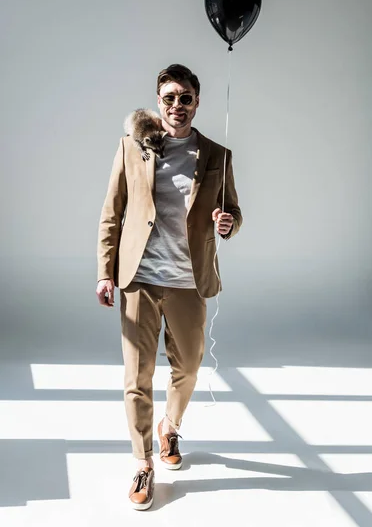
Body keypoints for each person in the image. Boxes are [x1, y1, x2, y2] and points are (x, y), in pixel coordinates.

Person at [96, 64, 242, 510]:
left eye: (186, 98)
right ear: (159, 101)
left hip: (187, 281)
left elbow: (233, 212)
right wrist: (105, 271)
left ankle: (170, 426)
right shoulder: (132, 147)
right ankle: (143, 463)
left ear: (198, 102)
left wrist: (229, 222)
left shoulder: (217, 155)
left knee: (190, 368)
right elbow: (111, 213)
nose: (177, 105)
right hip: (139, 278)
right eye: (169, 97)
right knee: (136, 378)